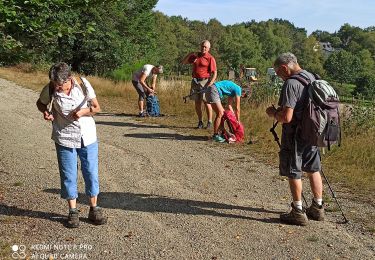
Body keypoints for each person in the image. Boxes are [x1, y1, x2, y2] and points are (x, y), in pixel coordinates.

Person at [36, 62, 107, 228]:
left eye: (60, 85)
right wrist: (45, 112)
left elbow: (97, 108)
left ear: (69, 79)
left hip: (87, 136)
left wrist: (82, 112)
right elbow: (40, 103)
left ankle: (94, 209)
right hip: (64, 137)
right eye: (55, 85)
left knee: (90, 172)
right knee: (69, 175)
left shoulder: (83, 85)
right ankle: (73, 212)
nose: (58, 88)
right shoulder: (50, 88)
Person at [265, 52, 325, 226]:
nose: (279, 77)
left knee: (294, 170)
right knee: (313, 168)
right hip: (313, 131)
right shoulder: (311, 76)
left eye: (278, 73)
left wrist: (273, 113)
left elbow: (287, 117)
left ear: (284, 67)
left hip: (296, 134)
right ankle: (317, 207)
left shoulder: (291, 84)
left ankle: (297, 211)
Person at [182, 40, 217, 129]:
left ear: (209, 48)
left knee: (206, 102)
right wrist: (190, 54)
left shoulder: (210, 58)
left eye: (205, 47)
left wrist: (211, 82)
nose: (203, 48)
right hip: (195, 81)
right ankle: (200, 122)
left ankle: (209, 122)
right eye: (202, 46)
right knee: (197, 102)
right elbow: (184, 62)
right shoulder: (196, 56)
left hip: (205, 81)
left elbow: (215, 72)